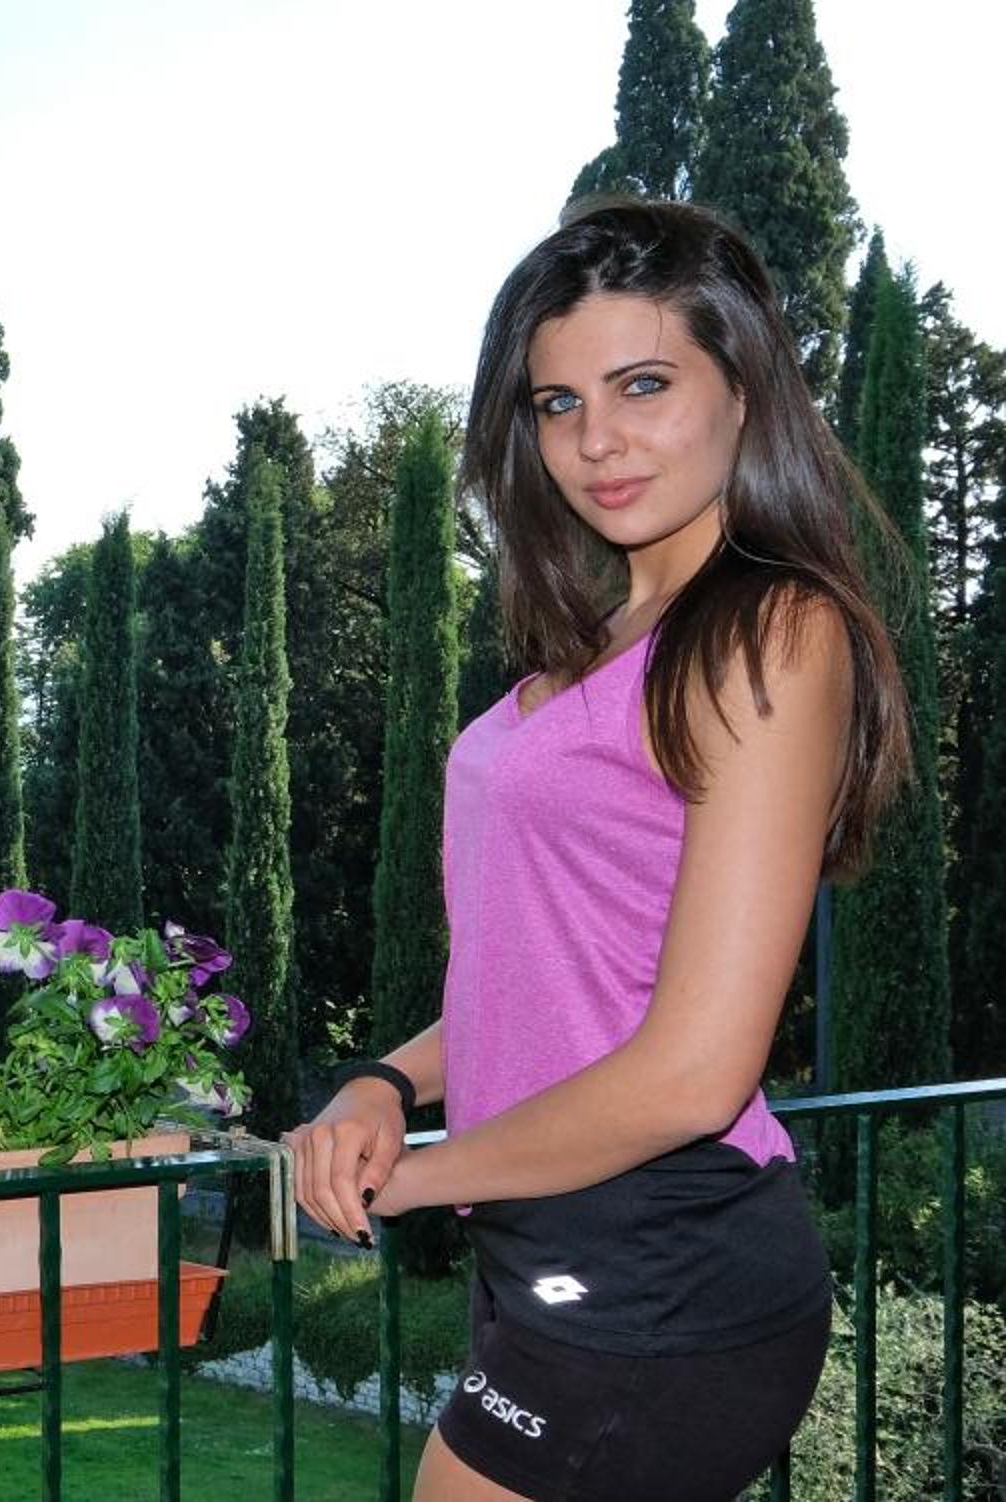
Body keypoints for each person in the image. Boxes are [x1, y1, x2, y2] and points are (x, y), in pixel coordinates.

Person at [283, 197, 912, 1502]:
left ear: (743, 389)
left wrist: (413, 1179)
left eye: (642, 385)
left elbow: (691, 1069)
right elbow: (548, 978)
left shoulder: (771, 632)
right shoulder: (586, 650)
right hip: (555, 1244)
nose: (596, 440)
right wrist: (381, 1085)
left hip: (659, 1257)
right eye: (557, 403)